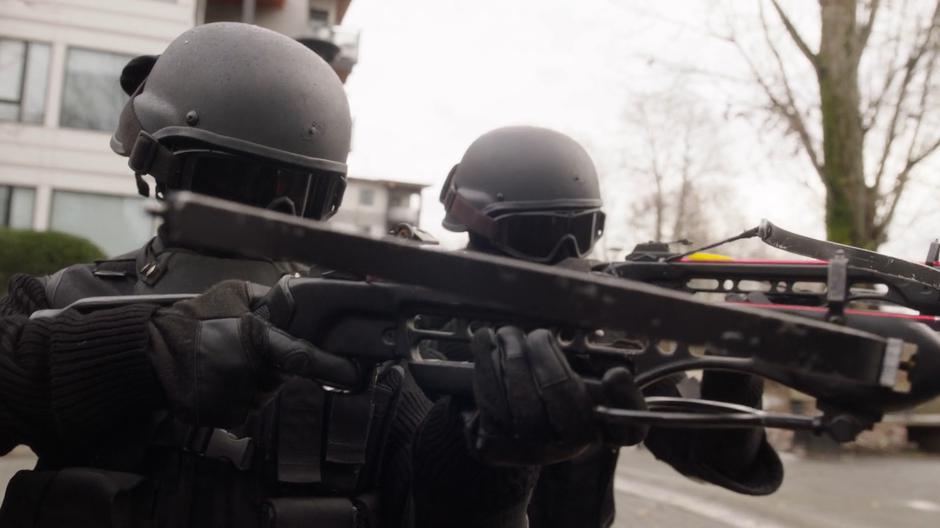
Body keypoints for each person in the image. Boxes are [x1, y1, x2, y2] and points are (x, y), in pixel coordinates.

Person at [0, 24, 643, 528]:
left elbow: (457, 506)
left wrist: (495, 459)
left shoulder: (362, 346)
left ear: (154, 168)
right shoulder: (60, 307)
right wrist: (142, 351)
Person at [437, 126, 784, 527]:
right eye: (536, 234)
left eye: (581, 233)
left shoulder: (598, 335)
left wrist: (734, 365)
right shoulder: (422, 323)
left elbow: (717, 457)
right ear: (474, 224)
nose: (565, 254)